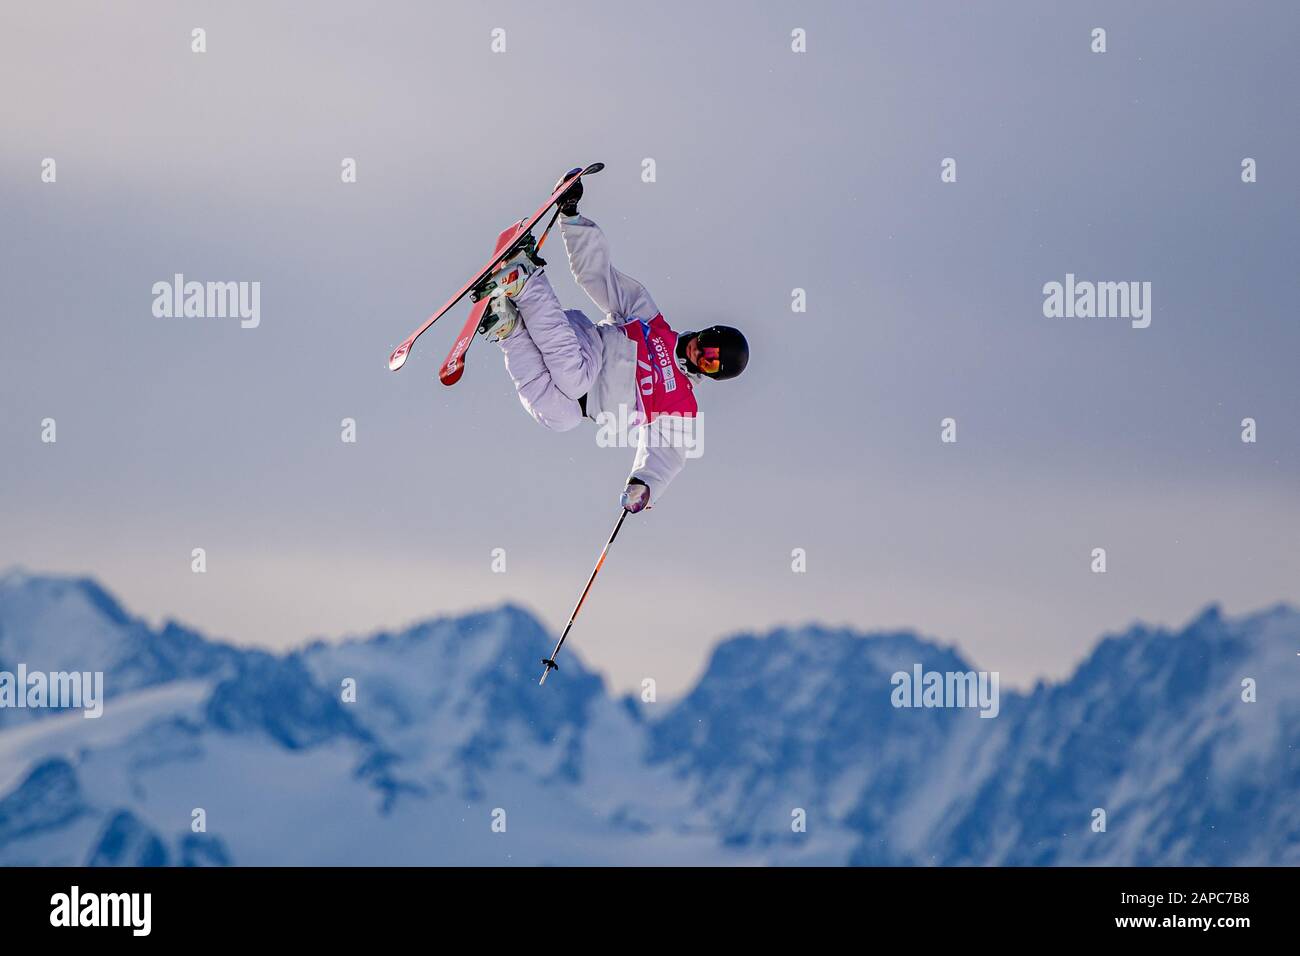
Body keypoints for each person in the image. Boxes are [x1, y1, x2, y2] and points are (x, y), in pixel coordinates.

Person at [475, 169, 749, 514]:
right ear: (706, 330)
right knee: (574, 377)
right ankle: (528, 282)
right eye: (710, 343)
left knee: (559, 418)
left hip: (584, 403)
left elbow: (668, 455)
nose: (701, 353)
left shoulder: (681, 403)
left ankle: (508, 327)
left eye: (710, 362)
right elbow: (599, 276)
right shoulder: (653, 323)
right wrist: (571, 217)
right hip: (589, 347)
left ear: (709, 374)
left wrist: (644, 485)